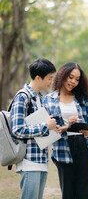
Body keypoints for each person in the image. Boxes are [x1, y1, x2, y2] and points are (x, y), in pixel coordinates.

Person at [44, 62, 88, 199]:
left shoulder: (83, 99)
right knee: (68, 193)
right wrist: (66, 127)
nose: (73, 82)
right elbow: (46, 129)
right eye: (71, 77)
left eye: (77, 79)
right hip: (62, 148)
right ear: (63, 75)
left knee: (85, 193)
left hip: (84, 147)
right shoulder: (48, 100)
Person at [11, 58, 57, 199]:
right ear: (38, 78)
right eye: (49, 78)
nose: (51, 82)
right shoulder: (22, 97)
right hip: (29, 161)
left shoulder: (41, 98)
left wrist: (53, 128)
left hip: (41, 160)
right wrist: (45, 126)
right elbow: (17, 130)